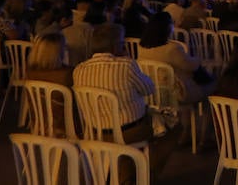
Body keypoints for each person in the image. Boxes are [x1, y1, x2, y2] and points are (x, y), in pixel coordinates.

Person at [74, 23, 173, 177]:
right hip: (129, 132)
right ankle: (146, 175)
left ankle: (124, 173)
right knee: (171, 127)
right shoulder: (126, 65)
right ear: (116, 46)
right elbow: (149, 89)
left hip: (95, 131)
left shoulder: (78, 70)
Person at [140, 11, 214, 104]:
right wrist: (198, 59)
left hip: (152, 90)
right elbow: (191, 66)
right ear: (167, 28)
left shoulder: (141, 47)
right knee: (210, 83)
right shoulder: (171, 49)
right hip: (176, 92)